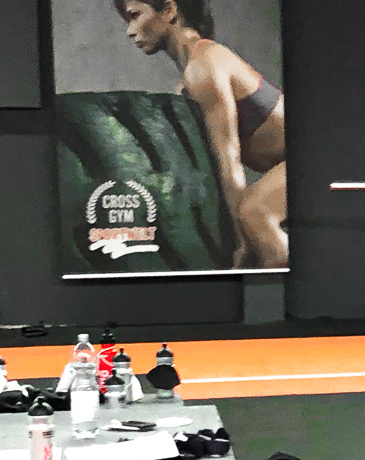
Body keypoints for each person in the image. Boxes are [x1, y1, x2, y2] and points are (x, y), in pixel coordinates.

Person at [115, 0, 287, 269]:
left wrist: (241, 241)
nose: (130, 31)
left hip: (316, 156)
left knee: (254, 213)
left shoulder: (203, 65)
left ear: (169, 10)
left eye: (135, 16)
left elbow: (228, 158)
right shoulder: (191, 75)